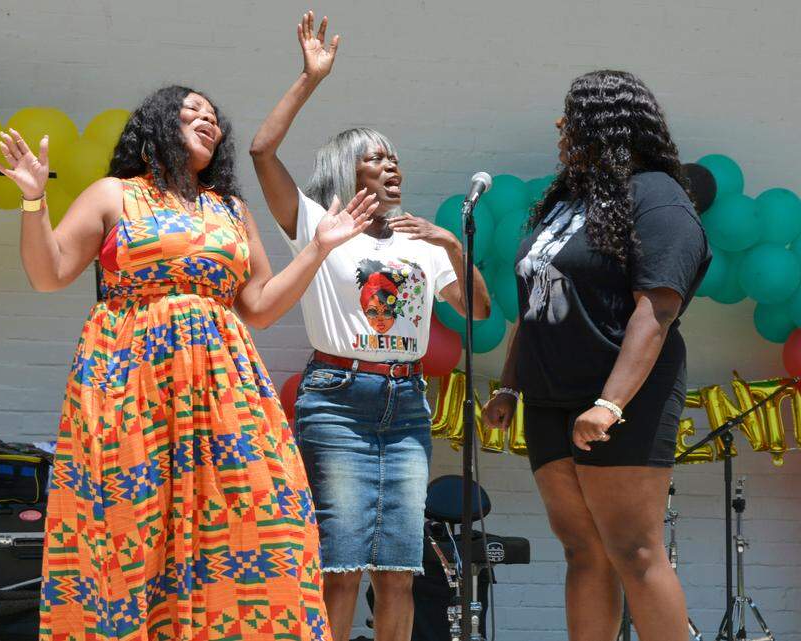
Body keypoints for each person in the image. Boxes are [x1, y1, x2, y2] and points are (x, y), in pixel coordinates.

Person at [0, 84, 379, 640]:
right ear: (156, 126)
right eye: (192, 111)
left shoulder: (230, 209)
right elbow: (48, 273)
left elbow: (261, 307)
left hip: (225, 386)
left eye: (214, 117)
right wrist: (35, 201)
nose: (210, 121)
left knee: (263, 515)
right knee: (133, 525)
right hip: (131, 383)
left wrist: (318, 248)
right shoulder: (115, 195)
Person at [249, 12, 492, 641]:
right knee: (341, 567)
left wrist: (453, 246)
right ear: (345, 170)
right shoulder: (317, 221)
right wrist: (309, 79)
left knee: (399, 570)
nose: (391, 167)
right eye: (374, 159)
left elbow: (479, 310)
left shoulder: (423, 240)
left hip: (406, 403)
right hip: (336, 399)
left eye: (394, 158)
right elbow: (260, 152)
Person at [483, 70, 711, 641]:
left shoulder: (659, 196)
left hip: (622, 399)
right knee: (583, 551)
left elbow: (655, 311)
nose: (561, 125)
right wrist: (510, 386)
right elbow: (538, 303)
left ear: (607, 124)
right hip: (549, 400)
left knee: (634, 550)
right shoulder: (567, 202)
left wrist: (610, 404)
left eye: (572, 113)